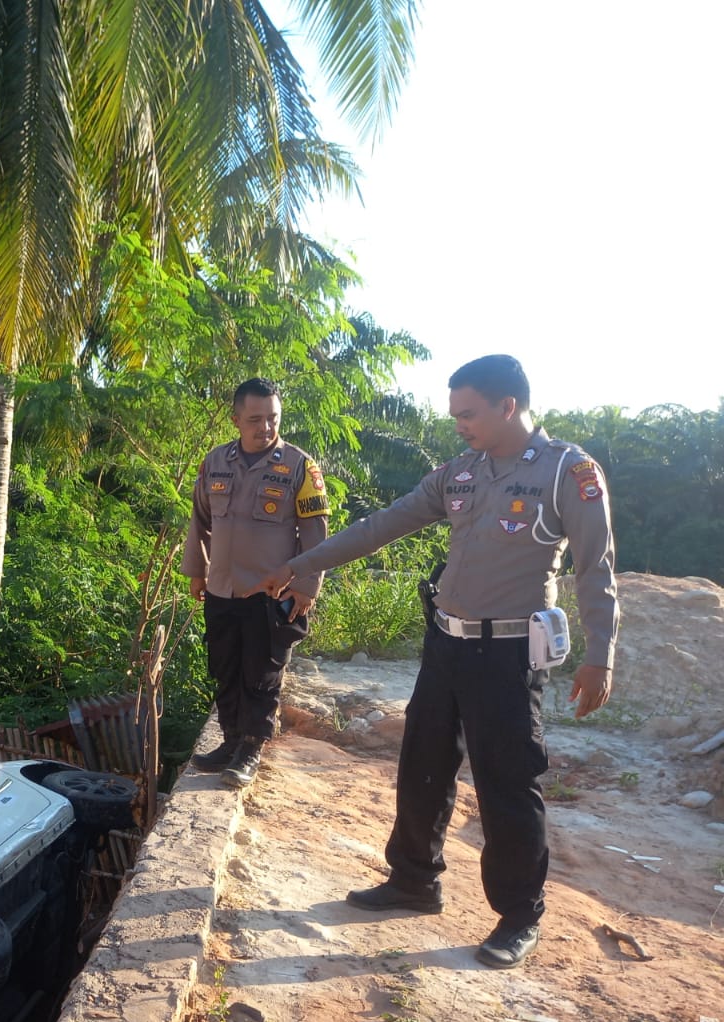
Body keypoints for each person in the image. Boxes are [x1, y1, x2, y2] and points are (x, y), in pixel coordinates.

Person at [254, 354, 618, 969]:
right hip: (445, 642)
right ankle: (413, 879)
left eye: (468, 414)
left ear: (509, 407)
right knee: (423, 762)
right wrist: (304, 563)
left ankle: (518, 914)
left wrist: (599, 656)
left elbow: (596, 568)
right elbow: (384, 524)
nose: (459, 426)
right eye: (454, 416)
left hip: (506, 653)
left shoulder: (567, 472)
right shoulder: (460, 473)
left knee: (506, 782)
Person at [181, 377, 331, 788]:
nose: (265, 427)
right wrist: (196, 570)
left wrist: (306, 587)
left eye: (273, 418)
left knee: (262, 673)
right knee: (225, 668)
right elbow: (200, 521)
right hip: (222, 589)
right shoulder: (214, 463)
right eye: (255, 419)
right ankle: (230, 741)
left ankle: (250, 749)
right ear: (236, 420)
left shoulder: (300, 467)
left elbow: (316, 534)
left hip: (270, 593)